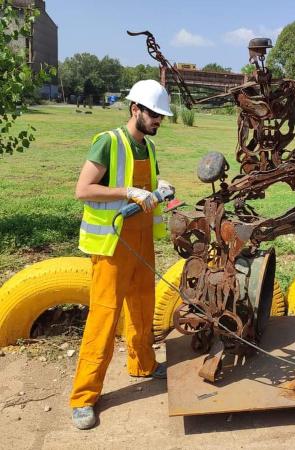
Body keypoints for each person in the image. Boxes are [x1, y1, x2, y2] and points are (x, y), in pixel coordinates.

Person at [70, 79, 175, 430]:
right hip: (113, 244)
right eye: (154, 114)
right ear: (136, 110)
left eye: (162, 116)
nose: (159, 120)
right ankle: (84, 397)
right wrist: (128, 191)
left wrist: (161, 191)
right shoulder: (108, 142)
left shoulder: (149, 147)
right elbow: (84, 190)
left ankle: (143, 364)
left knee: (143, 308)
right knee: (104, 317)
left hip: (142, 240)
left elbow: (146, 192)